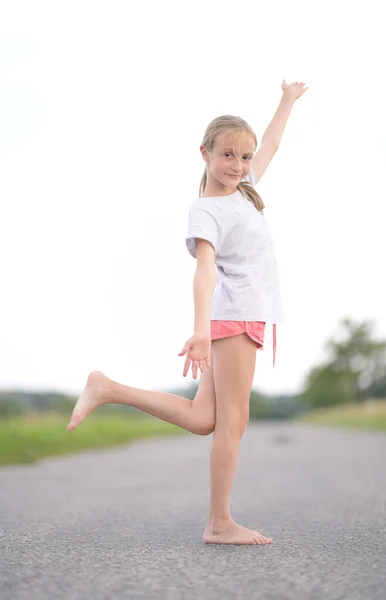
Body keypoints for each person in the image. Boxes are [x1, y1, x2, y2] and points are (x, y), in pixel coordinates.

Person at [66, 79, 308, 545]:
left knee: (204, 419)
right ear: (205, 153)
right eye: (228, 155)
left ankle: (108, 387)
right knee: (233, 421)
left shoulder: (245, 190)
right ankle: (219, 524)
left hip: (240, 317)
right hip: (232, 317)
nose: (237, 164)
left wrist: (287, 100)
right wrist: (200, 331)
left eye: (244, 156)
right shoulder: (206, 210)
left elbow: (272, 143)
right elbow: (203, 273)